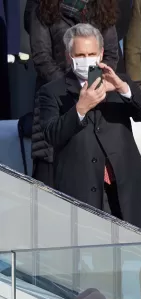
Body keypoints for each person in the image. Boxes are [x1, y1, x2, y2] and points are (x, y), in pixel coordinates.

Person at [37, 23, 141, 233]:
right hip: (82, 189)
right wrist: (80, 109)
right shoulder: (52, 91)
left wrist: (124, 89)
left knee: (133, 253)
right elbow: (50, 135)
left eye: (92, 53)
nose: (87, 59)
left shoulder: (117, 82)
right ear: (69, 56)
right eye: (80, 54)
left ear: (101, 54)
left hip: (125, 186)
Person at [28, 0, 119, 187]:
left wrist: (94, 85)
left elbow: (110, 53)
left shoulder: (102, 7)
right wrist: (73, 88)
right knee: (50, 194)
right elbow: (41, 57)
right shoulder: (44, 7)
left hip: (95, 105)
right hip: (55, 102)